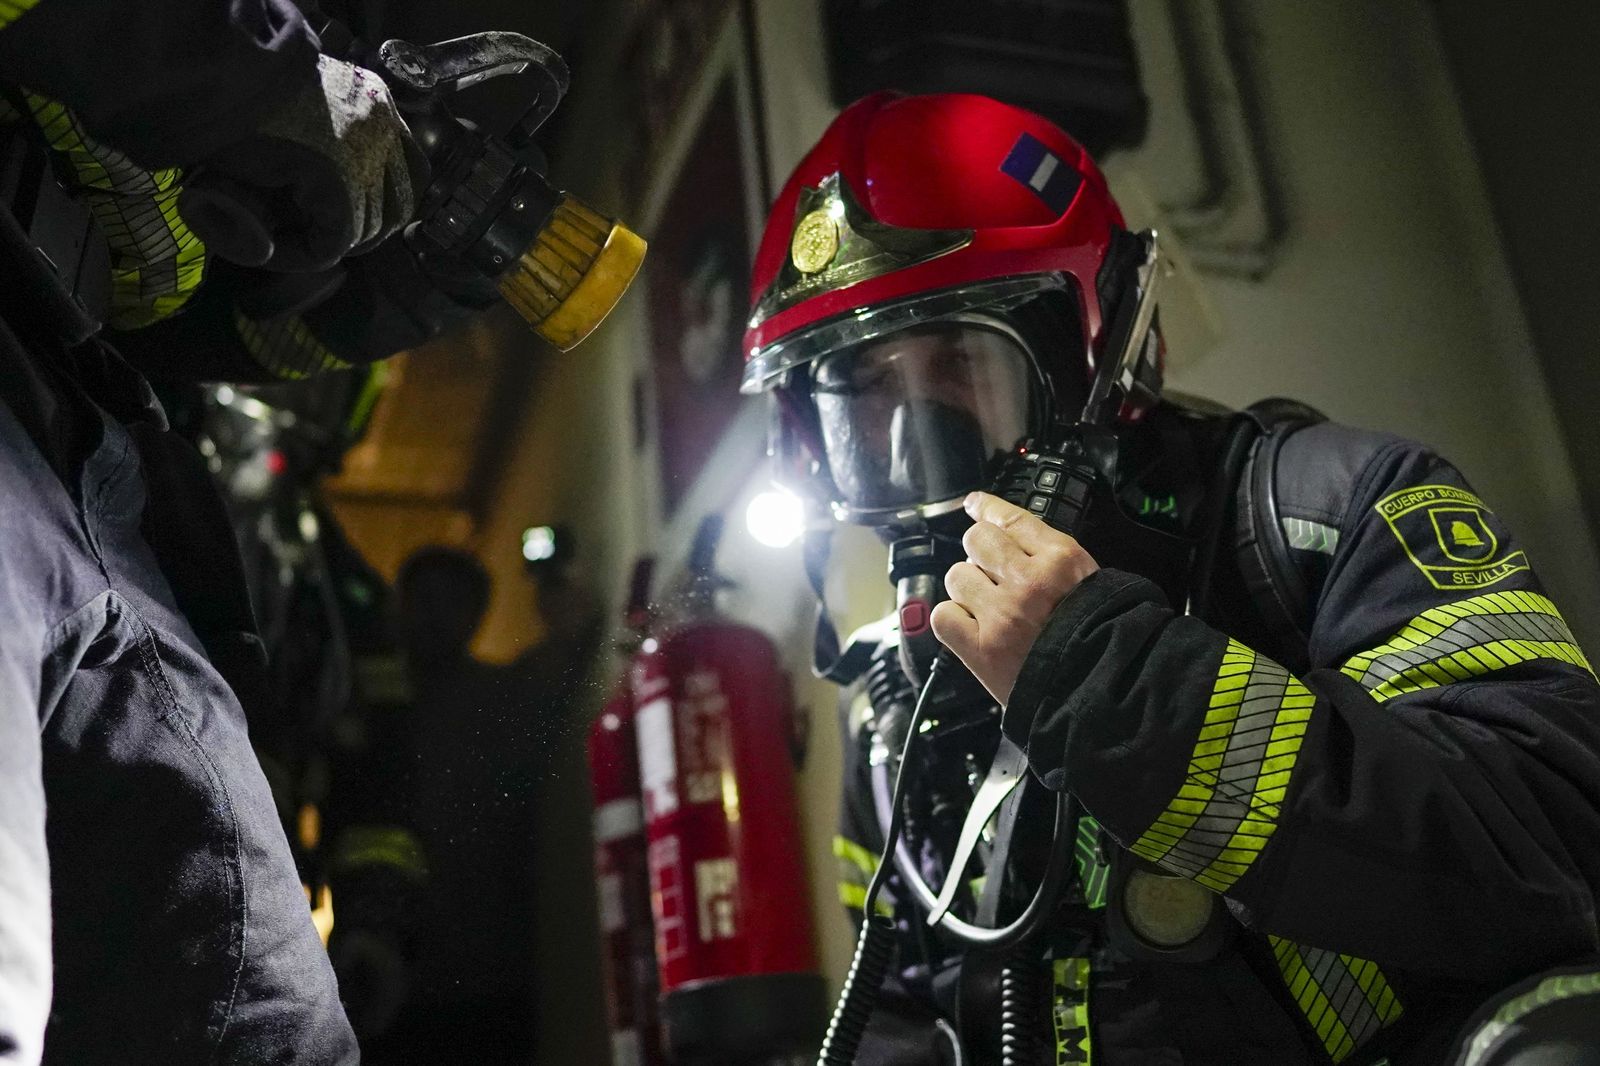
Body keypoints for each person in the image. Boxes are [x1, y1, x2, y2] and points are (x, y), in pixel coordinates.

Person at [739, 91, 1600, 1064]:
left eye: (958, 363)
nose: (914, 444)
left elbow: (1555, 846)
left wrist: (1116, 684)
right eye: (862, 394)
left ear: (1102, 354)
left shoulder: (1330, 512)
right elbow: (898, 1018)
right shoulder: (894, 711)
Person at [0, 1, 429, 1061]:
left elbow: (187, 312)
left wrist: (408, 276)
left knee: (268, 1034)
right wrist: (249, 82)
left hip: (87, 421)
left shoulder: (328, 565)